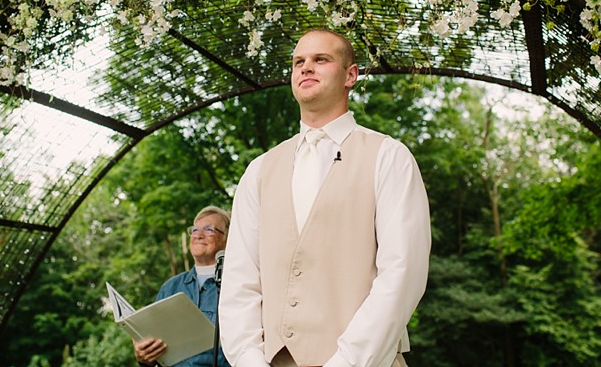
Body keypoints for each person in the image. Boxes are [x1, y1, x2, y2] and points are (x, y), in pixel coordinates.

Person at [219, 29, 431, 367]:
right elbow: (239, 282)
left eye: (321, 59)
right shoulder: (259, 171)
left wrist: (347, 362)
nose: (306, 68)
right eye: (298, 62)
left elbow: (403, 272)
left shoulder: (389, 156)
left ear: (350, 75)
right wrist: (249, 360)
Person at [134, 205, 232, 367]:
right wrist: (144, 356)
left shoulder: (238, 284)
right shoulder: (170, 287)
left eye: (209, 229)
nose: (198, 235)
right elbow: (155, 350)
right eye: (194, 230)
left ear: (227, 240)